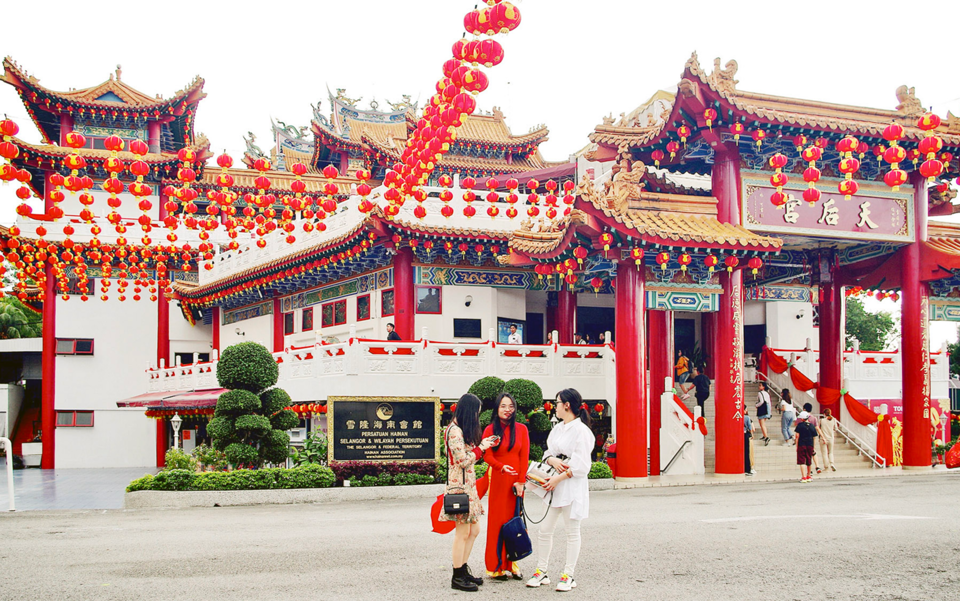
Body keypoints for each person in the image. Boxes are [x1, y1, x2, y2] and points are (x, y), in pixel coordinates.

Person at [526, 388, 594, 593]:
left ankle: (568, 575)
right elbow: (548, 452)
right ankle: (542, 570)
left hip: (570, 486)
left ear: (567, 405)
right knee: (545, 530)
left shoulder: (582, 431)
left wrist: (558, 478)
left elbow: (582, 466)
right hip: (554, 485)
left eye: (556, 403)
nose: (554, 406)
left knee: (572, 532)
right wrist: (552, 459)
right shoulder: (557, 428)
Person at [440, 393, 500, 592]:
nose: (477, 417)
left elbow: (469, 456)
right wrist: (481, 448)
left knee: (473, 530)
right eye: (476, 413)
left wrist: (485, 444)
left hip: (468, 487)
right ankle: (457, 575)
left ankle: (463, 569)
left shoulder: (460, 430)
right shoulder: (454, 431)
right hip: (460, 488)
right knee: (463, 532)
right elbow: (462, 461)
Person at [481, 392, 530, 580]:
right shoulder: (489, 430)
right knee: (497, 524)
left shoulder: (522, 429)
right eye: (503, 406)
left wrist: (521, 482)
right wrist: (501, 467)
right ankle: (495, 567)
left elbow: (523, 457)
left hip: (516, 483)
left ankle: (513, 564)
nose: (507, 410)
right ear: (497, 408)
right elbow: (487, 455)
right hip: (499, 480)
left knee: (514, 524)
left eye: (510, 406)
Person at [793, 411, 818, 482]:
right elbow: (814, 437)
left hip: (802, 444)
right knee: (808, 460)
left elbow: (797, 436)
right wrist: (814, 447)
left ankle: (803, 477)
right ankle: (809, 476)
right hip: (810, 445)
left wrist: (796, 446)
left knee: (802, 461)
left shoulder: (800, 425)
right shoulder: (812, 426)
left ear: (802, 419)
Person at [802, 403, 824, 474]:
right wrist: (823, 437)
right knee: (813, 452)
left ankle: (809, 470)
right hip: (812, 437)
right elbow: (817, 428)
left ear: (804, 409)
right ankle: (817, 467)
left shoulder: (801, 418)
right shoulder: (814, 418)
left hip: (804, 437)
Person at [819, 407, 838, 472]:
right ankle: (832, 463)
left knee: (824, 453)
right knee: (830, 452)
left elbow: (818, 428)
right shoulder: (833, 420)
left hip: (823, 438)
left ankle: (826, 466)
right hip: (831, 438)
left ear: (824, 414)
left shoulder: (822, 420)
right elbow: (836, 429)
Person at [744, 407, 755, 475]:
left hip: (738, 435)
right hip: (745, 435)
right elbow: (750, 428)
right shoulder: (747, 418)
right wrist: (752, 435)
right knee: (747, 452)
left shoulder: (737, 417)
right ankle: (747, 469)